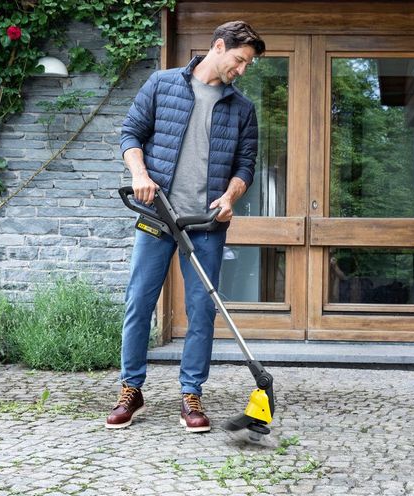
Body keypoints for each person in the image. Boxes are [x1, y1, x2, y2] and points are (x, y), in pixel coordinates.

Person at [106, 21, 265, 433]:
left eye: (248, 64)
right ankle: (131, 389)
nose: (242, 69)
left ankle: (191, 394)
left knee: (200, 311)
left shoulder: (242, 108)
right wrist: (140, 174)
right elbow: (130, 134)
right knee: (139, 303)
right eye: (240, 60)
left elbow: (246, 164)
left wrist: (231, 197)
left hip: (206, 224)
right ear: (218, 47)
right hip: (158, 217)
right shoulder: (162, 85)